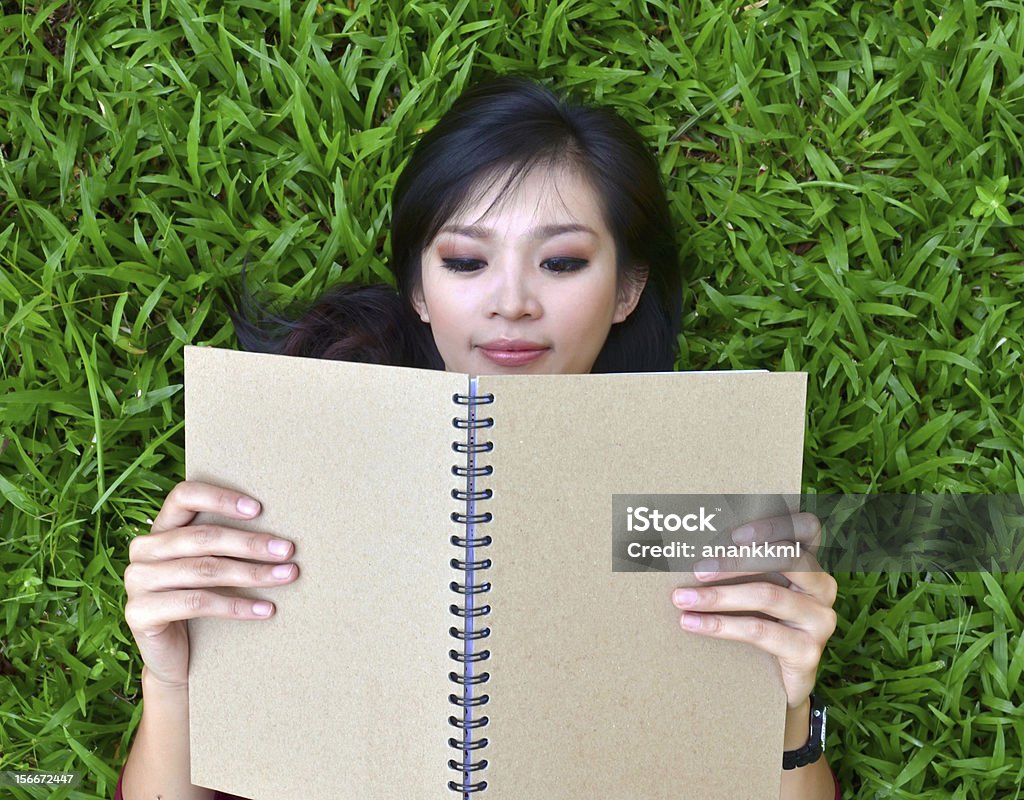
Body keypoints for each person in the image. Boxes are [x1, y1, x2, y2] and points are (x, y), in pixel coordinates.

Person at [115, 75, 840, 799]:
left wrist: (783, 711)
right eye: (466, 261)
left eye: (561, 262)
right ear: (419, 291)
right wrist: (174, 681)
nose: (512, 303)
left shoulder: (698, 500)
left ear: (628, 289)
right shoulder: (293, 467)